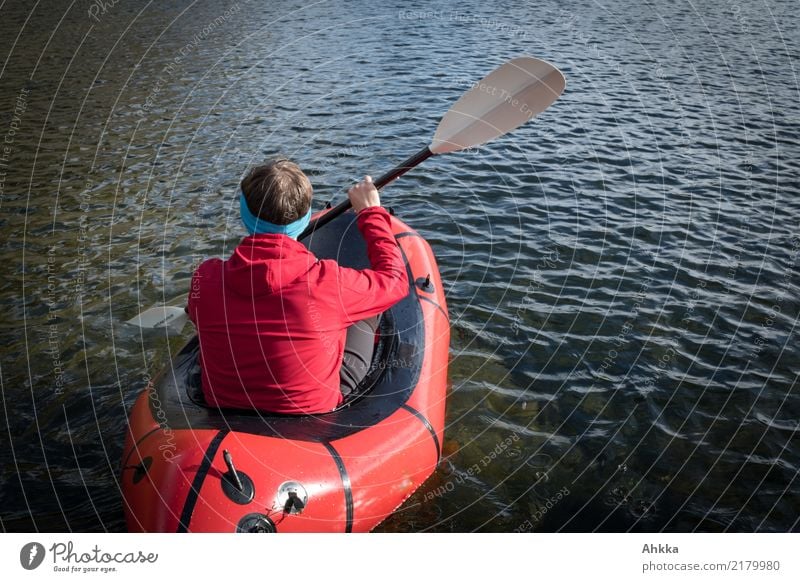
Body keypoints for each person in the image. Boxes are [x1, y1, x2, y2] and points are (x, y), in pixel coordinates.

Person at [187, 158, 409, 415]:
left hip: (224, 406)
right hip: (312, 411)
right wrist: (371, 213)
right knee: (369, 308)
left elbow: (197, 313)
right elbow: (395, 280)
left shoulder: (205, 276)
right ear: (305, 217)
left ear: (243, 213)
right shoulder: (329, 282)